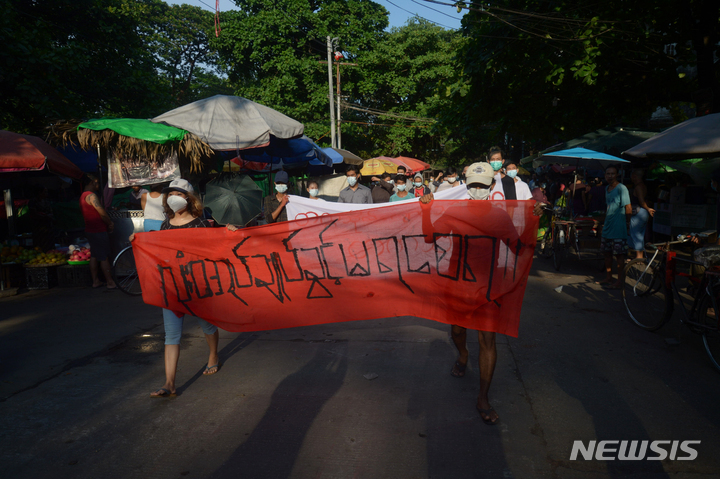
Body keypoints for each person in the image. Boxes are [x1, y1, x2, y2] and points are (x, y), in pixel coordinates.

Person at [418, 162, 544, 425]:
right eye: (473, 185)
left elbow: (519, 249)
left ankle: (483, 397)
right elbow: (431, 238)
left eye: (482, 186)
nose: (477, 189)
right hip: (459, 284)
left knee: (488, 340)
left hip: (488, 287)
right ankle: (463, 355)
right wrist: (426, 210)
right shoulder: (454, 212)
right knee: (457, 331)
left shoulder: (499, 217)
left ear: (490, 187)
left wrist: (534, 218)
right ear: (466, 185)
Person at [129, 179, 220, 398]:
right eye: (170, 193)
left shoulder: (200, 224)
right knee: (171, 336)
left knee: (207, 326)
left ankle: (214, 355)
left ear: (189, 199)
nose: (173, 197)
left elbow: (214, 249)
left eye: (178, 193)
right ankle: (169, 384)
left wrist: (230, 231)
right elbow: (158, 251)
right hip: (171, 287)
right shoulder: (165, 224)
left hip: (196, 286)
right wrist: (138, 240)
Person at [596, 165, 631, 289]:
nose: (610, 176)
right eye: (608, 174)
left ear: (617, 175)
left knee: (619, 256)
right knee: (607, 254)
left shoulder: (622, 188)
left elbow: (628, 208)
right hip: (608, 226)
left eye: (612, 174)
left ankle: (620, 281)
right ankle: (609, 277)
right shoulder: (607, 188)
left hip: (618, 228)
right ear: (605, 175)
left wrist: (627, 225)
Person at [79, 174, 117, 289]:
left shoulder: (82, 196)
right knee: (103, 256)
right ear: (92, 182)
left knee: (95, 256)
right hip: (98, 230)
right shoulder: (91, 196)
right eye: (97, 183)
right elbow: (102, 213)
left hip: (90, 230)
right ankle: (110, 282)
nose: (98, 185)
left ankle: (96, 281)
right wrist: (110, 223)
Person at [629, 169, 655, 259]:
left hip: (640, 212)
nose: (631, 177)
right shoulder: (643, 186)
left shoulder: (639, 187)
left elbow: (641, 201)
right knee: (640, 235)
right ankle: (639, 256)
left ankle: (639, 257)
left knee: (636, 235)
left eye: (632, 175)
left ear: (635, 176)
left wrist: (648, 208)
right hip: (643, 213)